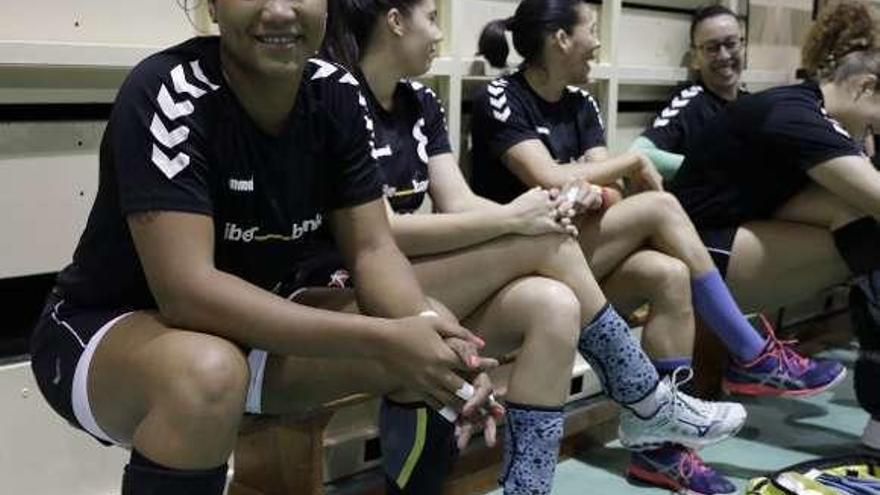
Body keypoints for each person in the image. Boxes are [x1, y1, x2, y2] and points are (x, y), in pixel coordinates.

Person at [27, 1, 503, 494]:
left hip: (255, 331)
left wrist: (435, 345)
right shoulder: (171, 91)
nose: (279, 11)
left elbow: (372, 251)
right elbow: (188, 293)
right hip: (105, 332)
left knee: (429, 339)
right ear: (212, 4)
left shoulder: (334, 91)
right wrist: (384, 339)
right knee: (206, 374)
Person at [319, 0, 746, 493]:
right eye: (432, 17)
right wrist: (514, 220)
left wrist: (535, 211)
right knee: (559, 236)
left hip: (427, 280)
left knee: (555, 303)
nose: (439, 33)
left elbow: (458, 201)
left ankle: (529, 486)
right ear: (395, 22)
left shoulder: (422, 101)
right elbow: (381, 232)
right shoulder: (339, 99)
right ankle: (648, 400)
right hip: (356, 286)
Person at [471, 1, 846, 493]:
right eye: (591, 30)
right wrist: (621, 168)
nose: (599, 42)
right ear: (560, 39)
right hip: (515, 265)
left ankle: (661, 455)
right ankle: (752, 354)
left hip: (574, 254)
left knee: (667, 276)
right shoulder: (501, 96)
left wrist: (598, 188)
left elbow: (606, 191)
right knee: (662, 210)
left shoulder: (582, 103)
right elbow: (545, 175)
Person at [668, 0, 880, 452]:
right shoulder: (801, 118)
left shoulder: (802, 109)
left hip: (720, 249)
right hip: (694, 268)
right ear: (866, 87)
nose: (874, 130)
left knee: (858, 215)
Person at [632, 5, 746, 181]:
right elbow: (639, 154)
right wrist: (716, 169)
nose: (724, 56)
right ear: (695, 58)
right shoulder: (689, 103)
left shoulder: (755, 103)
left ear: (743, 46)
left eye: (731, 44)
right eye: (712, 48)